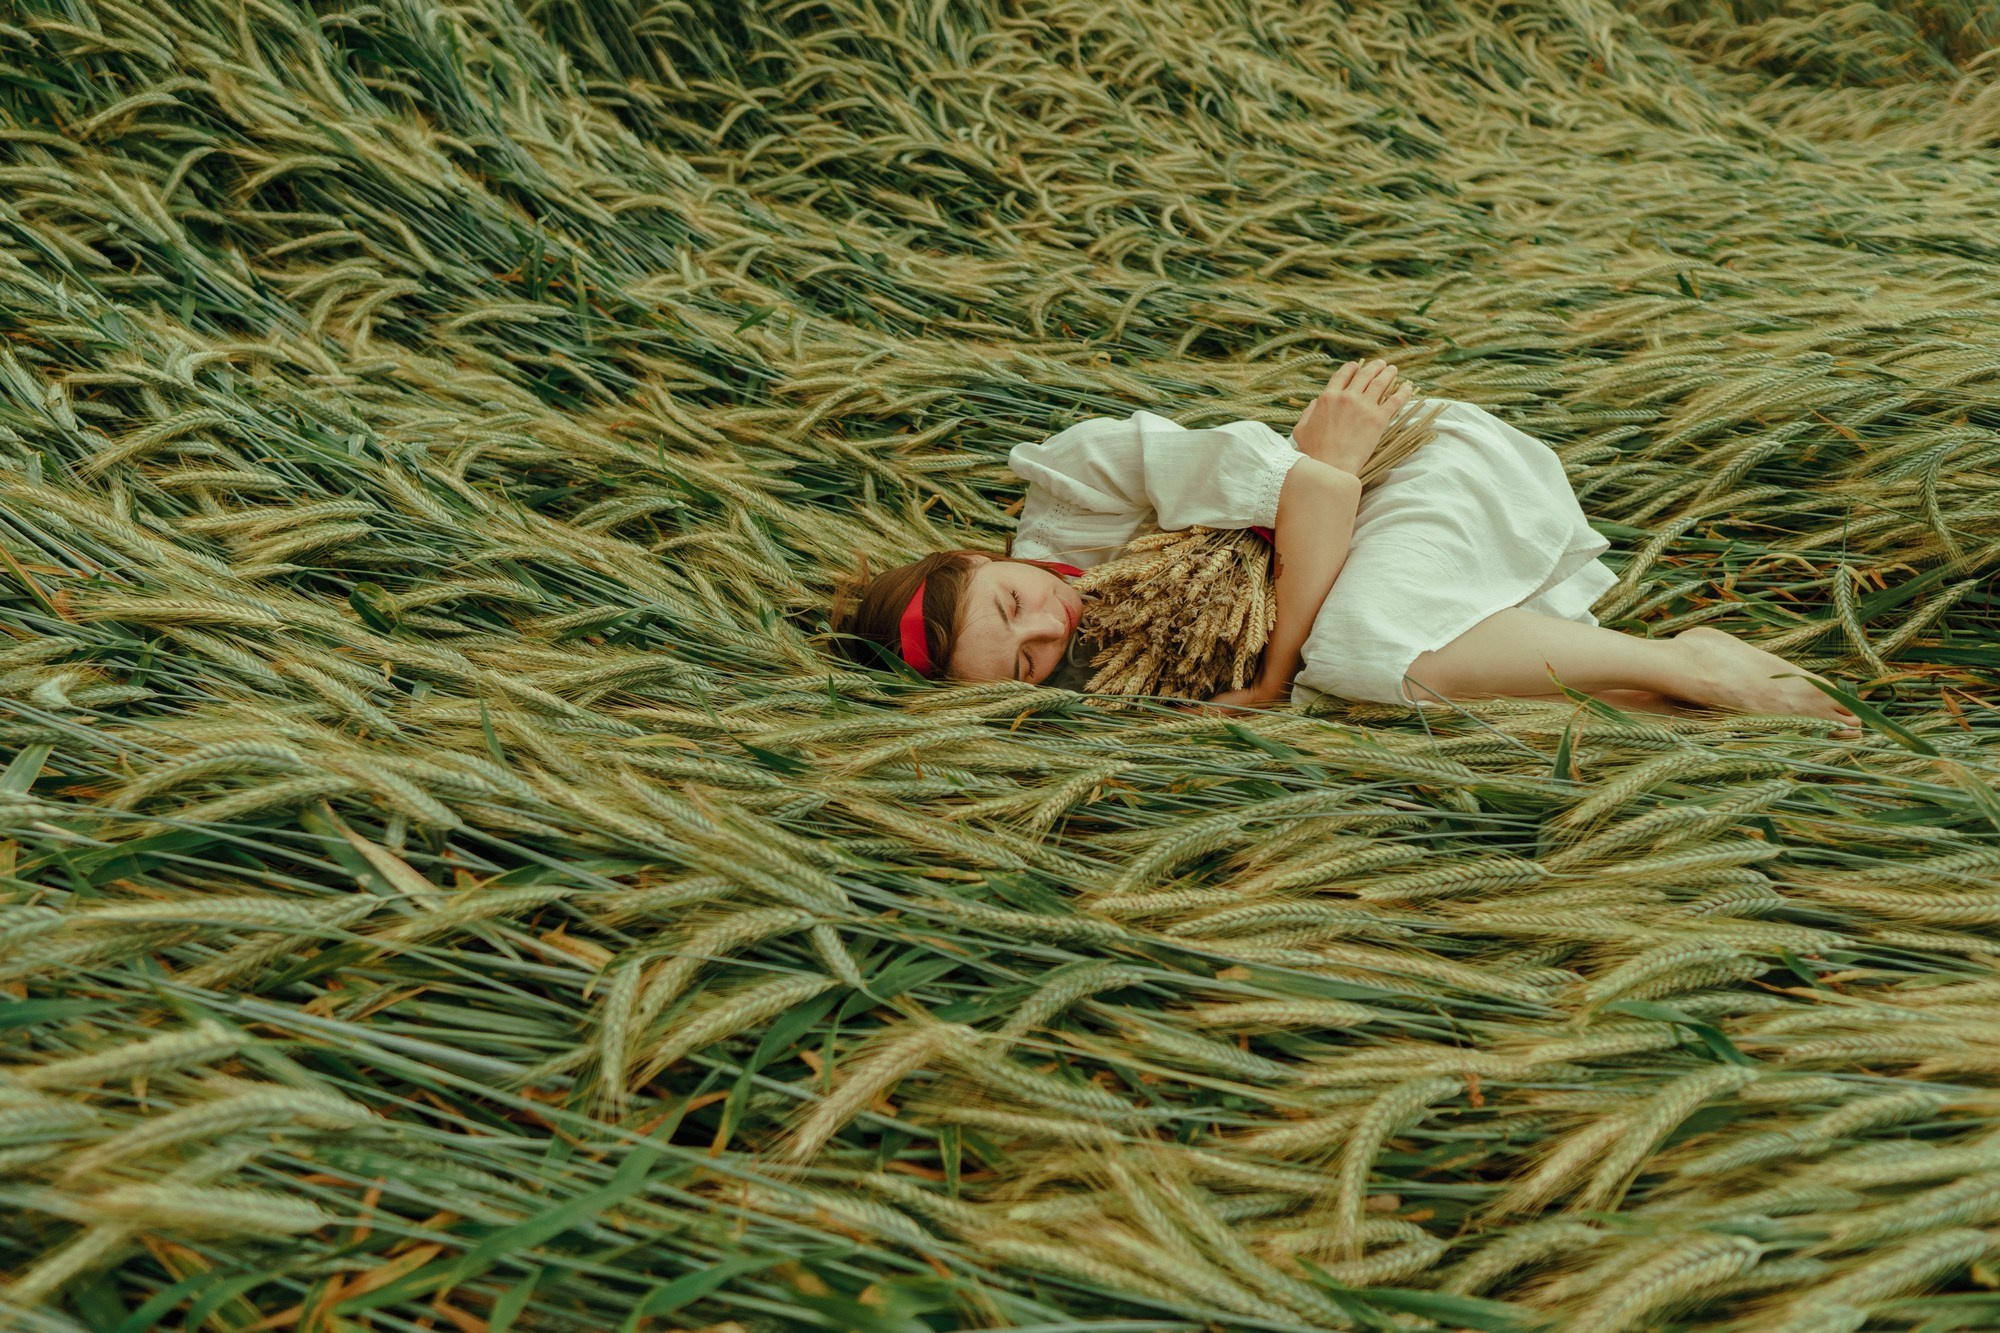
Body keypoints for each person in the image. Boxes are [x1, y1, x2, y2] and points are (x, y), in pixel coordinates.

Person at [832, 359, 1861, 733]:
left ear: (977, 558)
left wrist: (1271, 677)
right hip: (1375, 557)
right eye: (1024, 662)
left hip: (1421, 478)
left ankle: (1685, 664)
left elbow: (1323, 486)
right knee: (1390, 706)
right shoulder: (1087, 688)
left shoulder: (1082, 481)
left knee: (1343, 659)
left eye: (1013, 603)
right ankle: (1667, 711)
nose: (1050, 626)